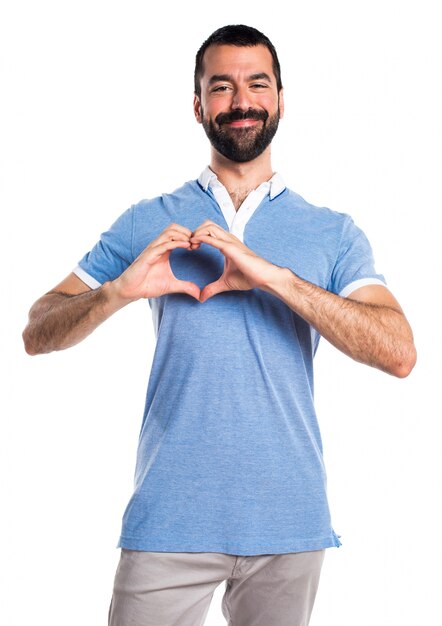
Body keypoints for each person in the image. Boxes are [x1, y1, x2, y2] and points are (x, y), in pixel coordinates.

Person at [23, 24, 416, 626]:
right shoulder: (146, 222)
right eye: (222, 86)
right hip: (170, 518)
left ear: (280, 98)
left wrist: (276, 278)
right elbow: (37, 330)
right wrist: (121, 291)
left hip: (289, 521)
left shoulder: (332, 232)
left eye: (257, 84)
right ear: (199, 104)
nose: (241, 101)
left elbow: (398, 352)